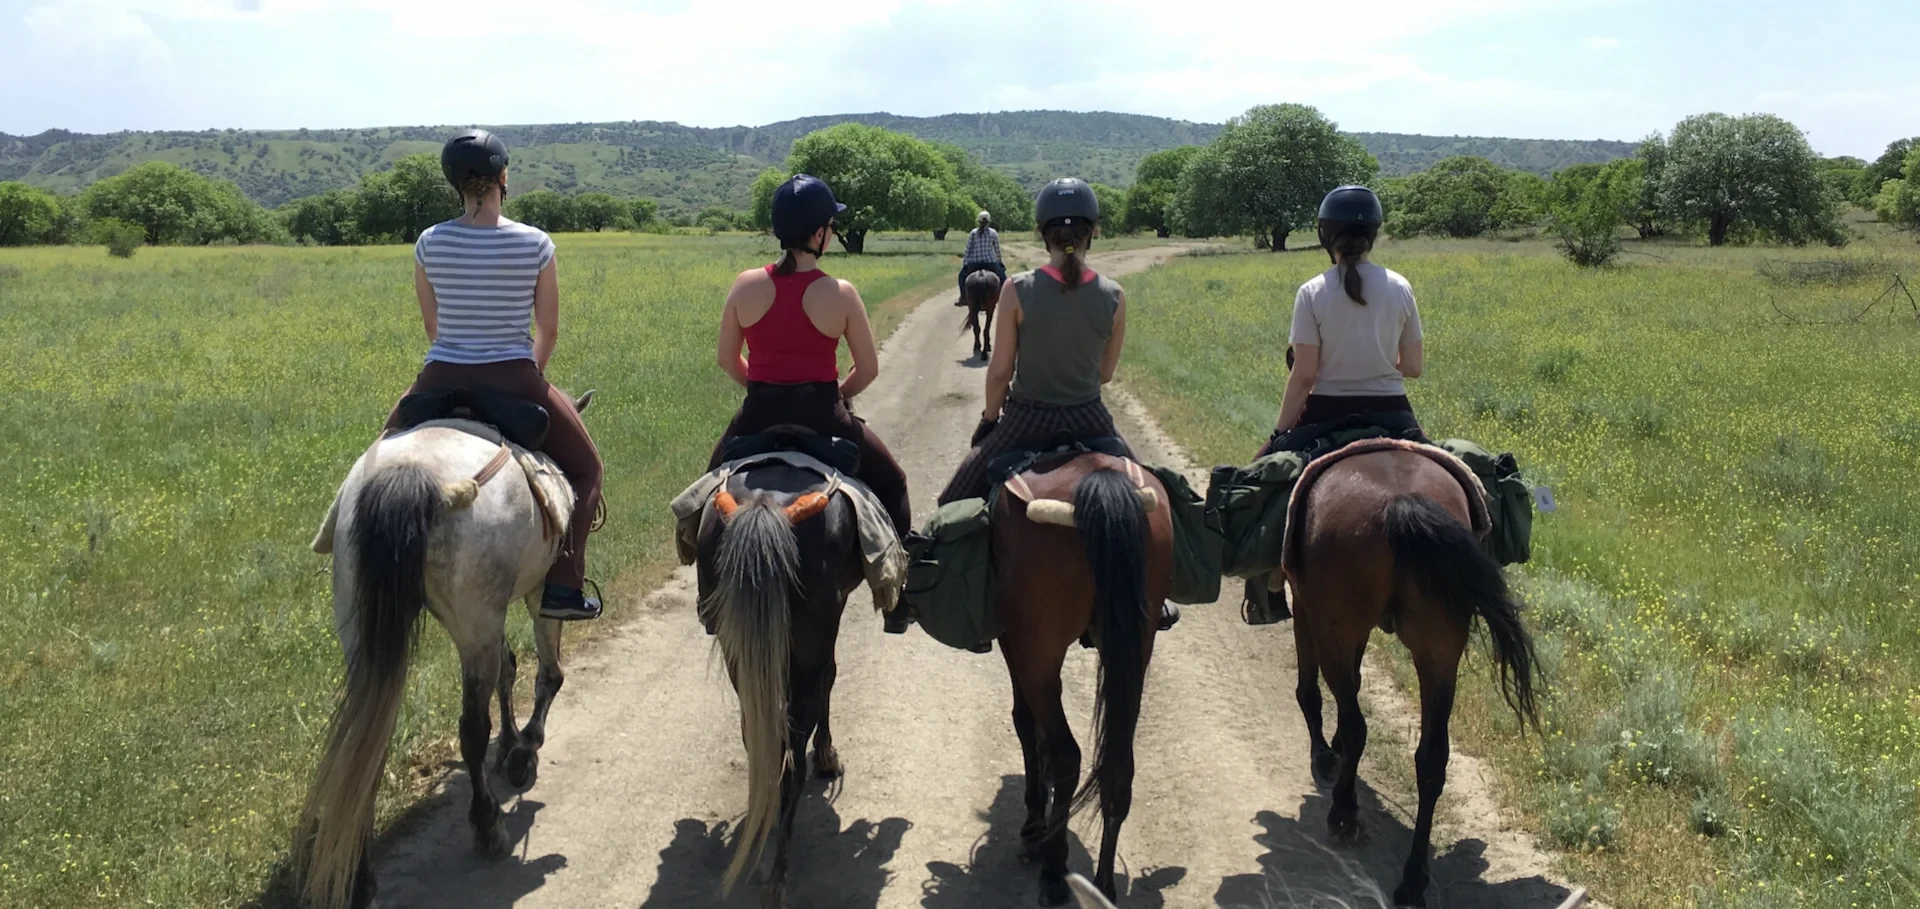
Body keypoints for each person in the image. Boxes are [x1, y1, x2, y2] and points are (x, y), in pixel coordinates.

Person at [382, 128, 605, 621]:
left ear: (453, 185)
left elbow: (432, 325)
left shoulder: (428, 243)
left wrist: (458, 353)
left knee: (379, 450)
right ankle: (564, 586)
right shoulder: (536, 244)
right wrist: (529, 377)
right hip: (512, 375)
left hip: (440, 374)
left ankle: (350, 547)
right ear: (504, 177)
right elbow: (547, 329)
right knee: (589, 469)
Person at [935, 177, 1176, 630]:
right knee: (1156, 494)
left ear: (1041, 233)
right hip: (1091, 418)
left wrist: (990, 420)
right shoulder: (1114, 295)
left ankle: (944, 592)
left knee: (951, 501)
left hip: (1026, 418)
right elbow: (1104, 375)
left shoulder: (1018, 289)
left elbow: (1001, 372)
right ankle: (1158, 594)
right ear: (1094, 231)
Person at [1243, 184, 1427, 624]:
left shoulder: (1312, 292)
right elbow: (1414, 366)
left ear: (1327, 236)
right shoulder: (1400, 287)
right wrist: (1376, 359)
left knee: (1261, 491)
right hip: (1394, 414)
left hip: (1325, 413)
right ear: (1374, 235)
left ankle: (1269, 587)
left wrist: (1276, 435)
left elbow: (1304, 375)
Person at [709, 174, 913, 566]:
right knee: (893, 480)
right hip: (824, 416)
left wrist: (759, 385)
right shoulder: (841, 293)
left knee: (707, 487)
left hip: (757, 416)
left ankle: (704, 588)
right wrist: (838, 393)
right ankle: (900, 590)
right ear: (819, 233)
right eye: (831, 227)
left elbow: (726, 359)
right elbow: (868, 370)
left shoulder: (745, 284)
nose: (833, 233)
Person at [954, 210, 1006, 306]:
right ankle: (1004, 297)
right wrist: (999, 262)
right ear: (989, 221)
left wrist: (965, 264)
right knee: (1003, 277)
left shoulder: (973, 233)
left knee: (961, 276)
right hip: (990, 263)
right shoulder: (993, 233)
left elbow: (968, 249)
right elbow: (997, 250)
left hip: (974, 263)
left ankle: (963, 297)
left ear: (978, 221)